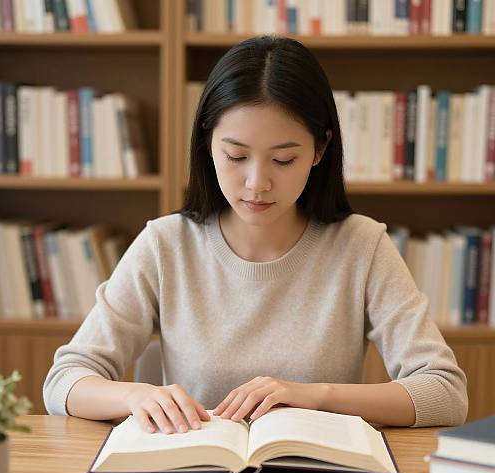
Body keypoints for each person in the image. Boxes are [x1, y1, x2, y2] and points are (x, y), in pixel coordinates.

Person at [43, 35, 467, 435]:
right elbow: (65, 381)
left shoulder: (361, 245)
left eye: (283, 160)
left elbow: (445, 392)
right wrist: (137, 395)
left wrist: (313, 396)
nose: (256, 183)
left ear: (320, 150)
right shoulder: (166, 244)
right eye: (236, 156)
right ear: (208, 145)